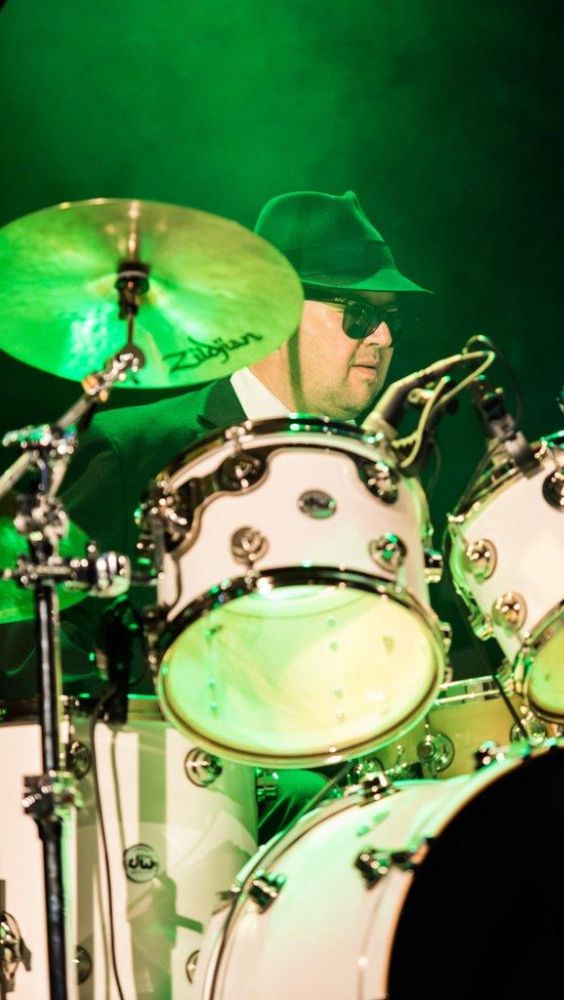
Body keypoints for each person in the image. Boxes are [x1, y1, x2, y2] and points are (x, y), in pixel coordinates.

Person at [0, 189, 430, 838]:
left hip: (341, 791)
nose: (385, 337)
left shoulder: (366, 475)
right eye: (360, 313)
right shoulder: (136, 448)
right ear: (277, 314)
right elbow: (23, 639)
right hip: (169, 817)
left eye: (392, 317)